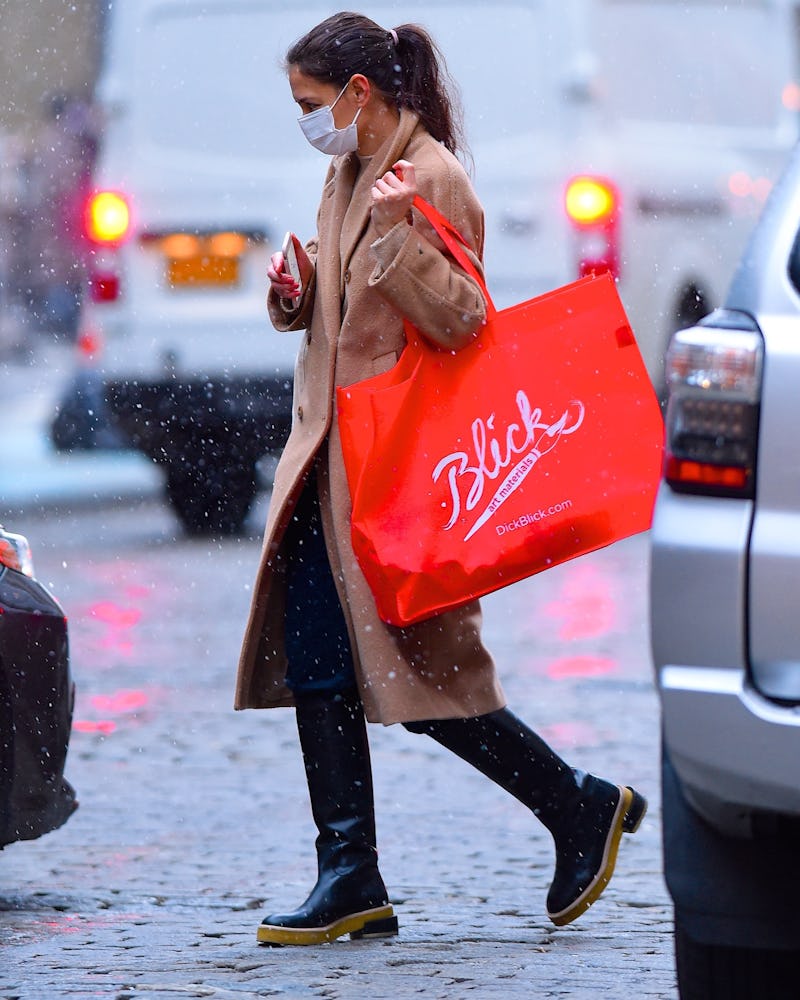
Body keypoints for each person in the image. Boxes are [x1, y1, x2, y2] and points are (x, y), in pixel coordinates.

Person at [235, 11, 647, 947]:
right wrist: (296, 299)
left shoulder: (431, 180)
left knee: (423, 677)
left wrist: (394, 235)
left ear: (360, 94)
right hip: (327, 471)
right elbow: (353, 327)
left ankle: (575, 803)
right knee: (322, 668)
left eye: (311, 104)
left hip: (397, 478)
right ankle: (350, 874)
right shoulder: (344, 173)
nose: (305, 121)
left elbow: (463, 322)